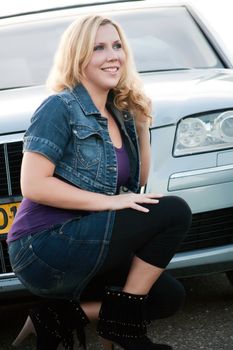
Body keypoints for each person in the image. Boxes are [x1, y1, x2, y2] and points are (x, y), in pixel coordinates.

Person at [7, 15, 192, 350]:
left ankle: (57, 318)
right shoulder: (59, 107)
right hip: (44, 246)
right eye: (100, 47)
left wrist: (142, 124)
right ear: (78, 57)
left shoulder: (119, 112)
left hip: (90, 238)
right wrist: (110, 202)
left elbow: (139, 181)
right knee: (174, 211)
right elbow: (33, 185)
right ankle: (124, 328)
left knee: (168, 297)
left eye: (118, 46)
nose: (114, 55)